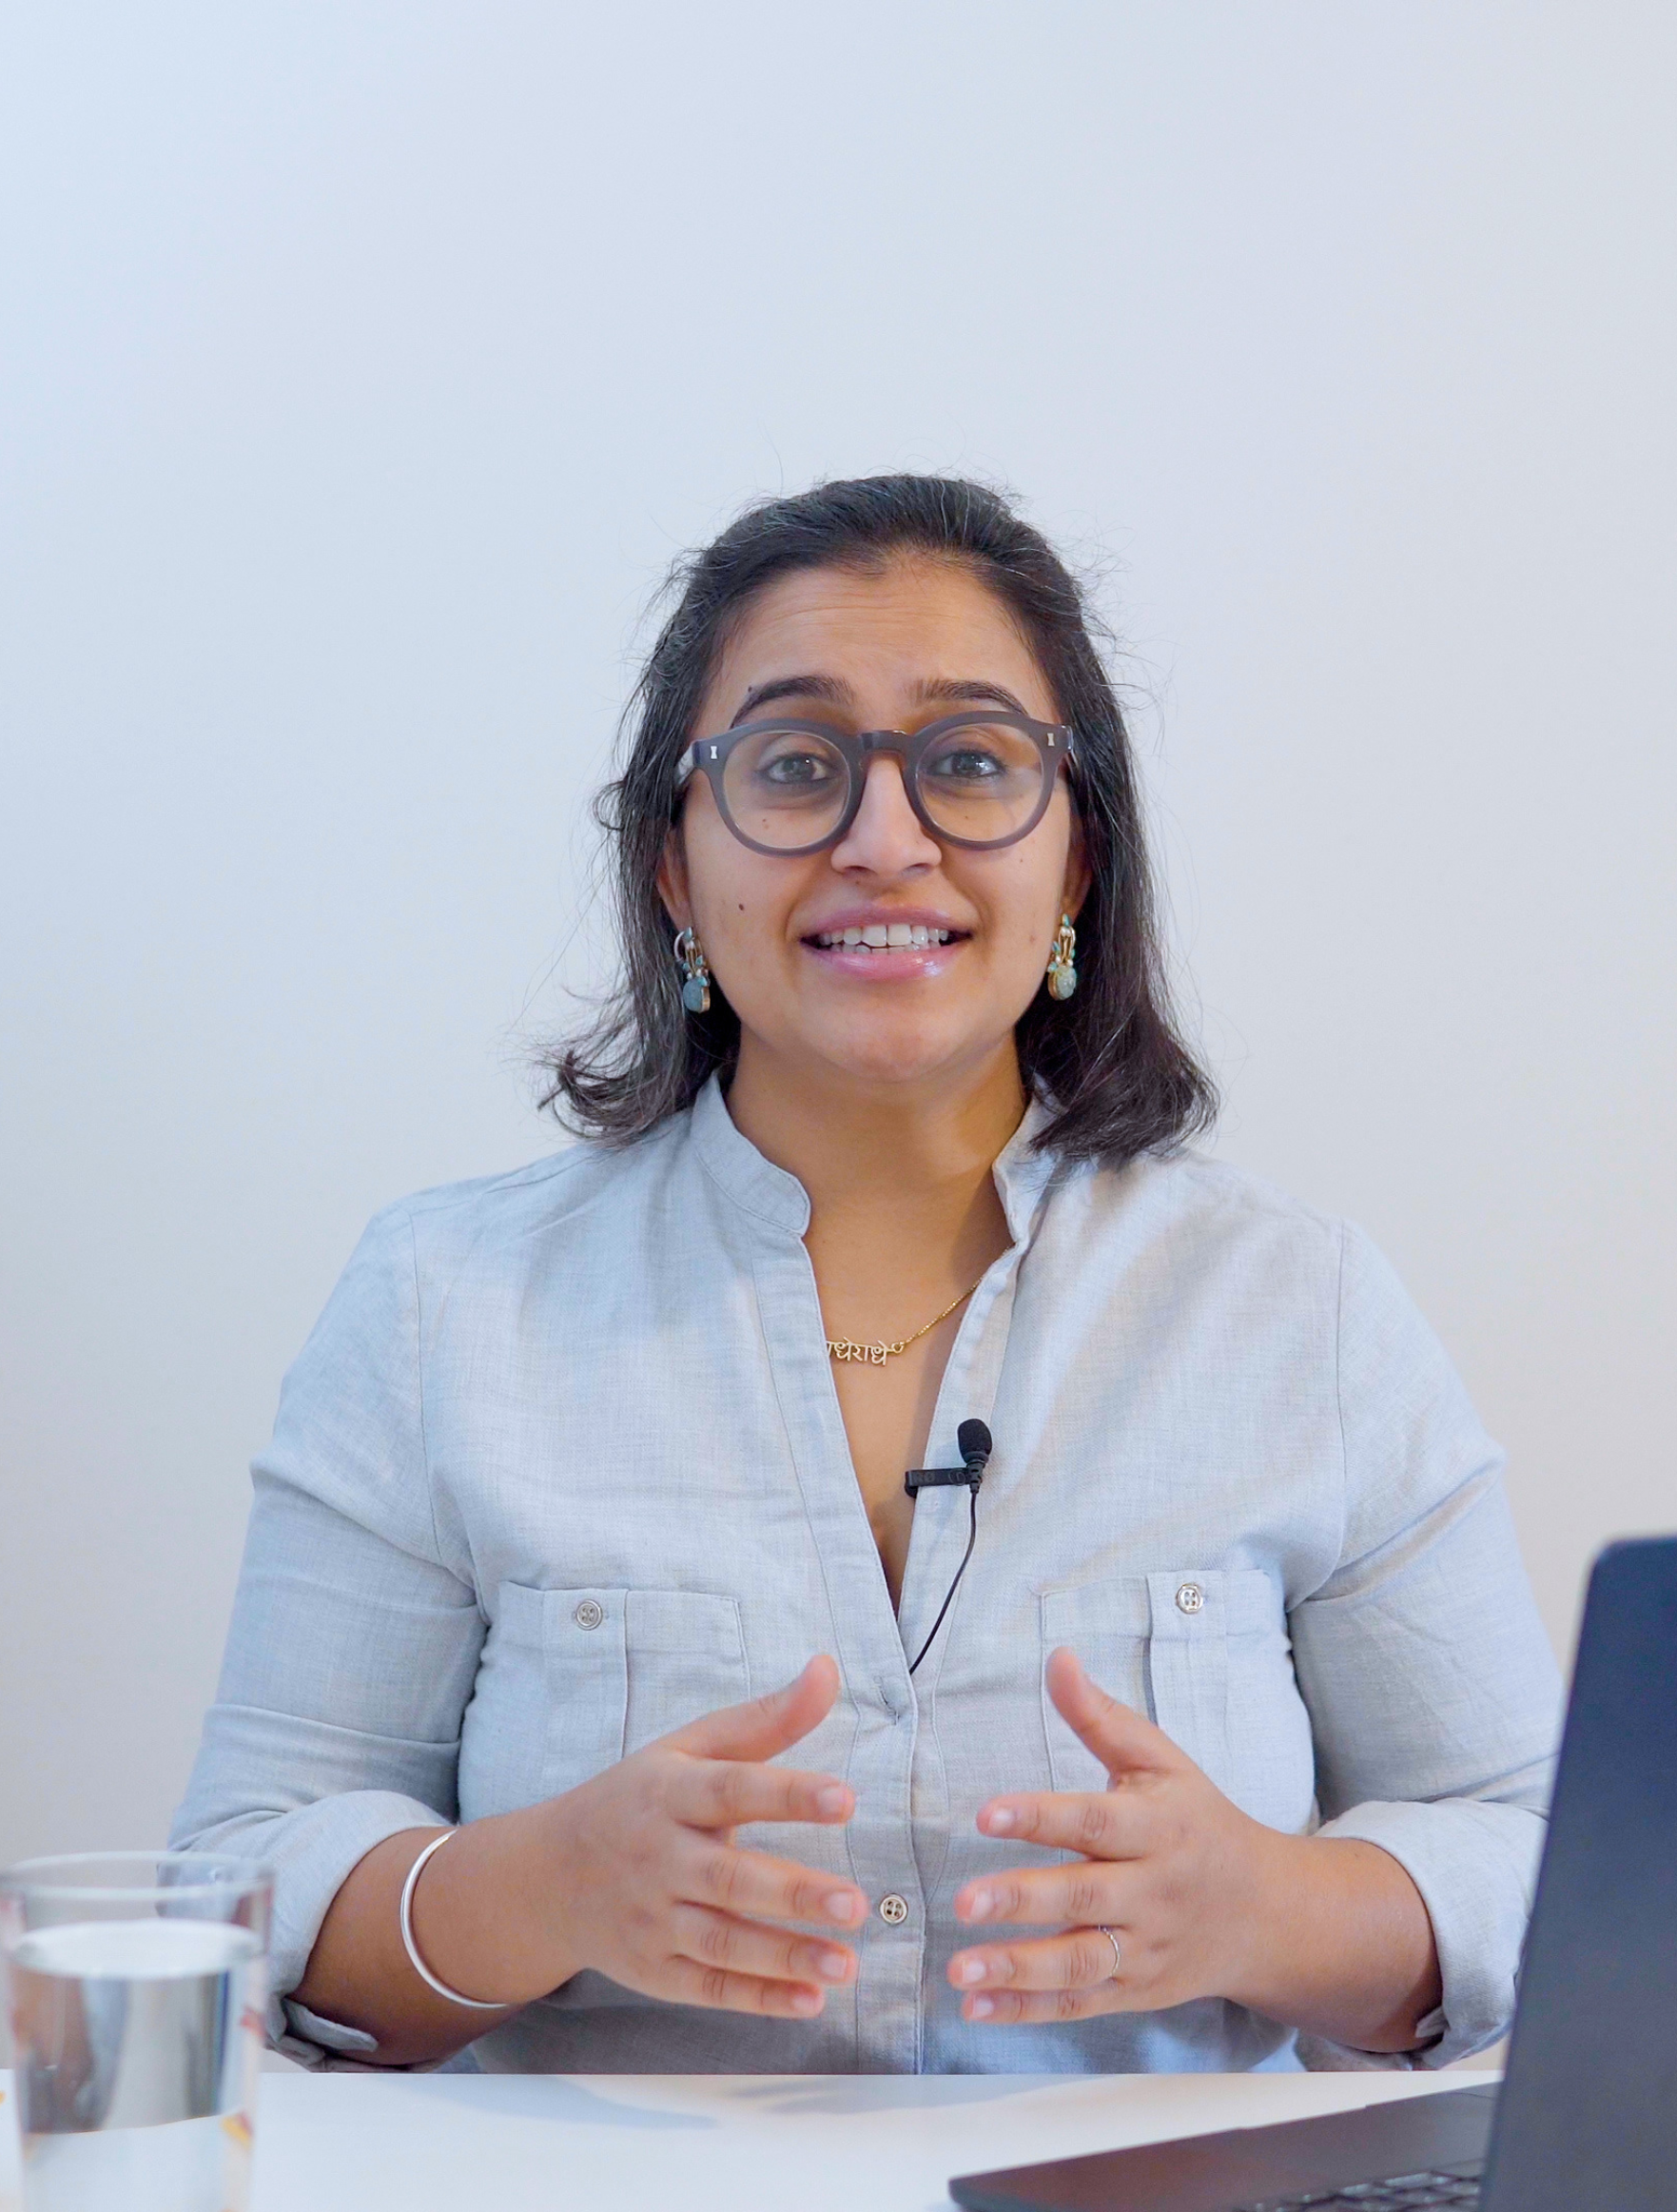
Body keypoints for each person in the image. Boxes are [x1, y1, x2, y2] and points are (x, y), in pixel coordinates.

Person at [172, 474, 1559, 2077]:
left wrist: (1268, 1911)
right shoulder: (443, 1303)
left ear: (1077, 862)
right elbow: (233, 1885)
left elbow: (1544, 1857)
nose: (883, 842)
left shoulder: (1295, 1306)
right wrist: (534, 1890)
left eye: (969, 763)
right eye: (793, 766)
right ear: (675, 871)